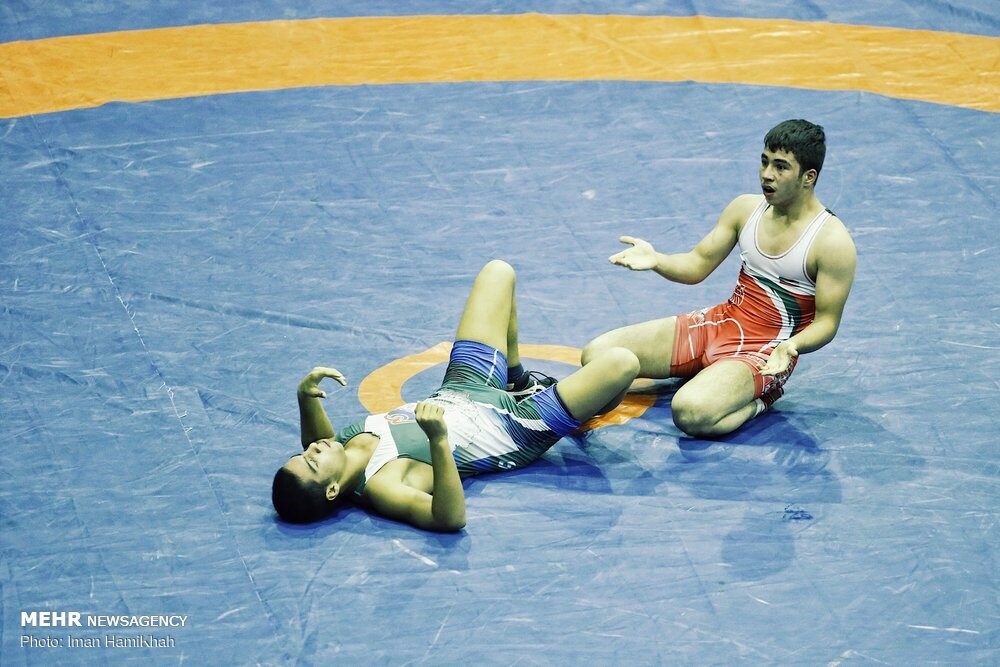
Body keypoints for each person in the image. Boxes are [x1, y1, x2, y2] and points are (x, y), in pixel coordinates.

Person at [272, 259, 640, 531]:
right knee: (622, 363)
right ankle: (574, 413)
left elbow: (317, 440)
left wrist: (305, 398)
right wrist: (437, 440)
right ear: (333, 490)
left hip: (463, 386)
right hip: (517, 428)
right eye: (312, 462)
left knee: (498, 273)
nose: (313, 449)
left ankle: (518, 381)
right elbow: (449, 519)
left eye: (303, 454)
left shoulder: (342, 447)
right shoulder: (383, 487)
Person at [582, 119, 856, 438]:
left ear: (809, 177)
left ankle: (762, 399)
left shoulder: (831, 242)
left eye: (781, 167)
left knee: (691, 412)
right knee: (598, 355)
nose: (767, 174)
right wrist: (657, 260)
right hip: (721, 324)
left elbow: (827, 323)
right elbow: (697, 264)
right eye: (765, 161)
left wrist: (792, 346)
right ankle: (713, 375)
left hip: (765, 351)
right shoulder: (745, 209)